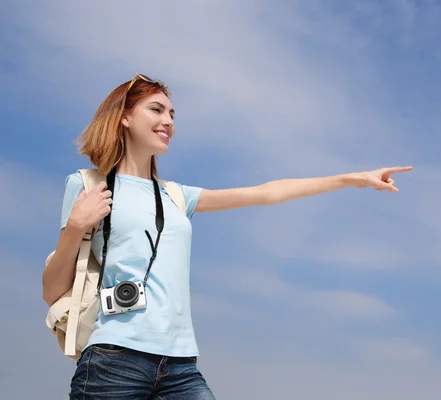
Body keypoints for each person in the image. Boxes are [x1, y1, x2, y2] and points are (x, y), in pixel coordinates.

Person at [41, 72, 413, 400]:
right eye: (156, 110)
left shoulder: (175, 195)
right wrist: (75, 227)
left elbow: (266, 192)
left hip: (180, 364)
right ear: (123, 116)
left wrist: (351, 179)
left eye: (172, 114)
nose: (168, 120)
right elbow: (52, 290)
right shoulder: (87, 185)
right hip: (113, 360)